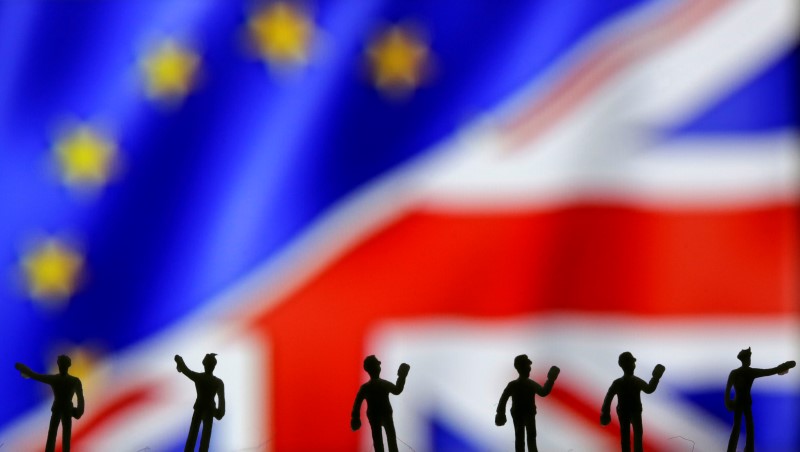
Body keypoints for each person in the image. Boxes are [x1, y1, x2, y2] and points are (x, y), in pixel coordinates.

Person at [725, 347, 795, 452]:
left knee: (740, 427)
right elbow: (770, 371)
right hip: (743, 403)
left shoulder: (735, 373)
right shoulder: (748, 372)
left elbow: (727, 390)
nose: (749, 360)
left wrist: (728, 402)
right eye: (749, 358)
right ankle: (747, 449)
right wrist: (782, 367)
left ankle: (739, 449)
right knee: (746, 427)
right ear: (745, 359)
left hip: (740, 403)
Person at [15, 355, 85, 452]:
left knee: (56, 434)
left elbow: (36, 376)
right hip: (65, 409)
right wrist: (79, 411)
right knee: (61, 434)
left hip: (61, 409)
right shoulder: (74, 381)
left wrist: (25, 370)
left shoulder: (59, 379)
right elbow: (80, 399)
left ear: (59, 365)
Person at [600, 352, 664, 452]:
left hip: (630, 411)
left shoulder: (620, 382)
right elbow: (649, 389)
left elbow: (608, 397)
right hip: (630, 411)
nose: (633, 365)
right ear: (627, 365)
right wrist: (656, 377)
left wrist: (656, 377)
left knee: (632, 436)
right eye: (632, 362)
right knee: (632, 436)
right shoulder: (630, 381)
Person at [495, 354, 560, 452]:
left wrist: (551, 380)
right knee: (523, 436)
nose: (529, 369)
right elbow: (503, 399)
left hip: (525, 413)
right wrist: (500, 413)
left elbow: (543, 392)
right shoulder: (517, 384)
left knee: (528, 435)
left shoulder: (521, 384)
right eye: (527, 366)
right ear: (521, 368)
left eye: (529, 367)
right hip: (521, 413)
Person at [351, 355, 410, 452]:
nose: (380, 366)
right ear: (376, 368)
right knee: (390, 439)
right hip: (385, 413)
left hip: (374, 416)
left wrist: (355, 418)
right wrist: (402, 376)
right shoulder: (383, 384)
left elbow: (357, 404)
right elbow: (397, 390)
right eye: (378, 364)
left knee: (378, 440)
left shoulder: (365, 387)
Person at [175, 353, 225, 452]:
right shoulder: (217, 382)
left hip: (202, 409)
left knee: (195, 438)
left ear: (204, 364)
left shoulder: (203, 378)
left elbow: (186, 370)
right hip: (207, 410)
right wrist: (218, 412)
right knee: (201, 439)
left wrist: (179, 361)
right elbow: (221, 406)